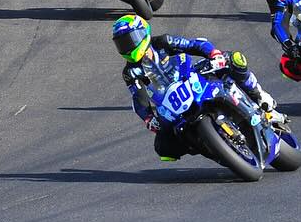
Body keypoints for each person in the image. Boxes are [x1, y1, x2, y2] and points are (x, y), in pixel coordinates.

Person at [114, 15, 276, 163]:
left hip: (191, 77)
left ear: (143, 33)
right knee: (163, 148)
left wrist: (214, 54)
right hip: (172, 102)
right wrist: (149, 119)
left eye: (130, 39)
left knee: (234, 60)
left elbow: (194, 44)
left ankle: (259, 95)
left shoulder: (163, 42)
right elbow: (138, 98)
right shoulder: (130, 72)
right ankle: (210, 147)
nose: (127, 46)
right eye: (122, 43)